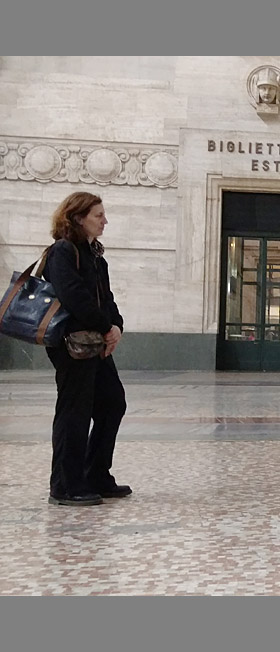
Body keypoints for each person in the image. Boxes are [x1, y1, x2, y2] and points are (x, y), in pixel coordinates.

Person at [42, 191, 129, 506]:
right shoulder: (62, 252)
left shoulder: (94, 256)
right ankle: (65, 485)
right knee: (74, 411)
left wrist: (116, 326)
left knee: (112, 402)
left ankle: (95, 474)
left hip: (96, 341)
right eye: (98, 215)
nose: (105, 221)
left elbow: (107, 298)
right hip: (72, 343)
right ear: (78, 218)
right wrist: (106, 327)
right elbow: (74, 297)